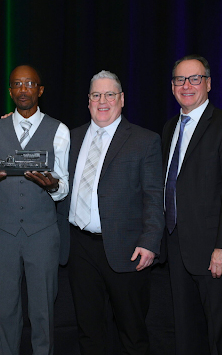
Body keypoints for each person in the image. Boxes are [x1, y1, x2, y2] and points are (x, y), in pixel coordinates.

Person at [57, 70, 163, 355]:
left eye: (109, 94)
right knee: (88, 331)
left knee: (132, 333)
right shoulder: (70, 137)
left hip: (127, 249)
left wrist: (150, 242)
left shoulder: (145, 140)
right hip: (79, 248)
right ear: (88, 101)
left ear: (122, 99)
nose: (102, 101)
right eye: (96, 95)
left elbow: (155, 196)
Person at [0, 65, 70, 355]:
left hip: (42, 234)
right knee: (6, 311)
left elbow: (64, 186)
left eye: (29, 84)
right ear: (10, 90)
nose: (23, 89)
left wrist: (53, 185)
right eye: (17, 84)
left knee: (43, 314)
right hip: (4, 233)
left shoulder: (59, 130)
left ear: (40, 90)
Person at [160, 54, 222, 355]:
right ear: (172, 87)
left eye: (195, 78)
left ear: (208, 83)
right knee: (186, 332)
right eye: (180, 79)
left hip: (213, 253)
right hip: (177, 247)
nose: (187, 85)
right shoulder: (169, 128)